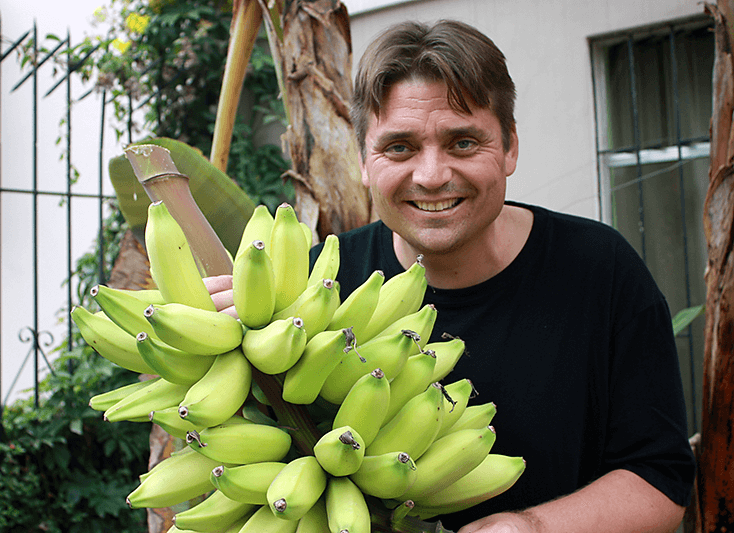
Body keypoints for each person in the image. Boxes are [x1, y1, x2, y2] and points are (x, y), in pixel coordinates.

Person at [205, 19, 696, 533]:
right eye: (399, 147)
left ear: (509, 147)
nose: (432, 175)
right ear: (363, 161)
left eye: (463, 142)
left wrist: (529, 527)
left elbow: (660, 481)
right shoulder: (307, 295)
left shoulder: (601, 270)